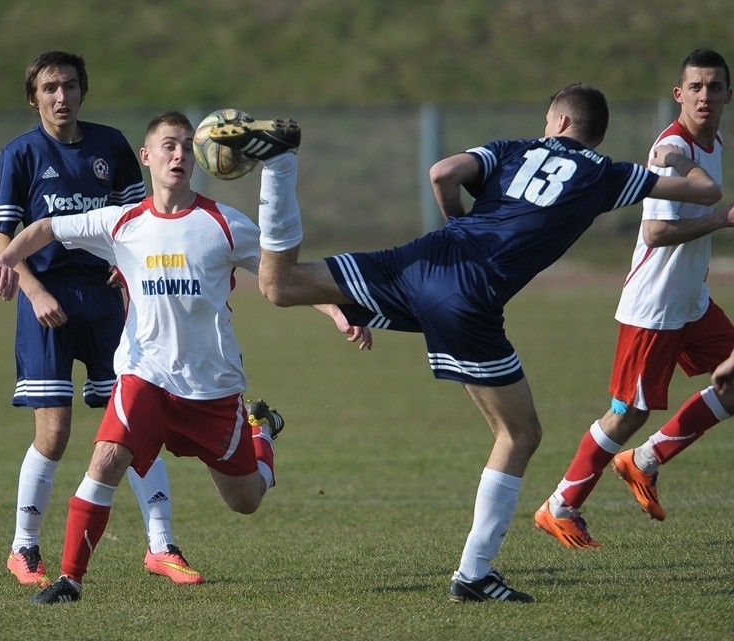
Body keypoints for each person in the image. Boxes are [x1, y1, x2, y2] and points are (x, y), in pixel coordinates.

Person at [204, 82, 723, 602]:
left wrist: (459, 221)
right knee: (519, 434)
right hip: (470, 296)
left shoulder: (512, 149)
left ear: (559, 122)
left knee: (279, 285)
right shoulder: (608, 173)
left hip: (423, 260)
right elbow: (705, 193)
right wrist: (679, 156)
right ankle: (475, 574)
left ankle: (280, 164)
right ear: (591, 131)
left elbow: (442, 173)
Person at [0, 111, 371, 604]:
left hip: (212, 387)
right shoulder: (121, 222)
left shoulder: (224, 224)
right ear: (147, 157)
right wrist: (7, 258)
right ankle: (70, 581)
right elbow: (44, 227)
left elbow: (286, 276)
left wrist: (337, 312)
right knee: (105, 459)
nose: (180, 155)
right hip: (144, 375)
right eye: (169, 146)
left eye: (189, 147)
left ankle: (262, 432)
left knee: (246, 500)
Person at [0, 51, 201, 586]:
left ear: (83, 91)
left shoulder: (110, 147)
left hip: (107, 303)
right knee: (55, 434)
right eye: (49, 88)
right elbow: (4, 236)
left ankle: (162, 546)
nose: (61, 96)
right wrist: (34, 291)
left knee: (137, 424)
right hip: (48, 304)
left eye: (69, 85)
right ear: (34, 97)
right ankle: (24, 548)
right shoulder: (18, 155)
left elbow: (139, 219)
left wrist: (125, 268)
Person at [535, 50, 734, 549]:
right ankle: (559, 506)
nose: (705, 95)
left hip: (691, 300)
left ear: (728, 95)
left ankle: (645, 460)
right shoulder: (671, 149)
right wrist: (720, 221)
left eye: (714, 87)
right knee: (626, 415)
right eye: (696, 87)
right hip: (656, 308)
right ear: (679, 94)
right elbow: (657, 230)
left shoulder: (714, 144)